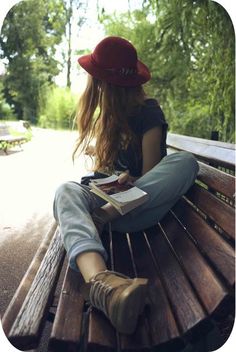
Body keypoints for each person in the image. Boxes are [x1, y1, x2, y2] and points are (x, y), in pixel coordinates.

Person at [53, 36, 199, 334]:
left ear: (106, 84)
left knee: (186, 163)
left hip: (138, 209)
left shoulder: (149, 113)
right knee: (65, 191)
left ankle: (100, 221)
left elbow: (149, 176)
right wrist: (112, 177)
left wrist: (125, 188)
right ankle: (105, 288)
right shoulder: (112, 117)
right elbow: (118, 170)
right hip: (111, 203)